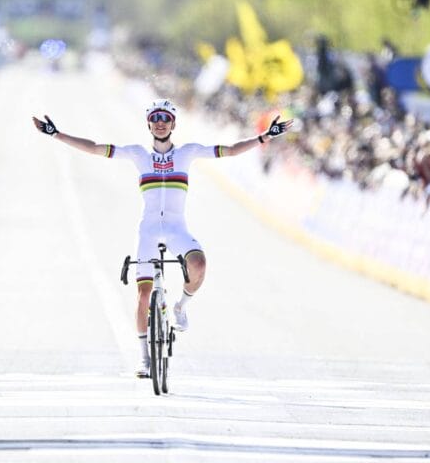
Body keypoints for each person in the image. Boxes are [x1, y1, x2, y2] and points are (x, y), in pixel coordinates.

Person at [32, 99, 293, 378]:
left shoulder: (188, 153)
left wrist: (265, 137)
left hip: (177, 229)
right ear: (148, 124)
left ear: (173, 124)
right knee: (143, 295)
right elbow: (95, 148)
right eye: (155, 118)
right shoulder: (138, 154)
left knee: (199, 265)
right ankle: (145, 359)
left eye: (165, 118)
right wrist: (56, 134)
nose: (160, 123)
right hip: (148, 231)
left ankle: (180, 306)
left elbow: (229, 150)